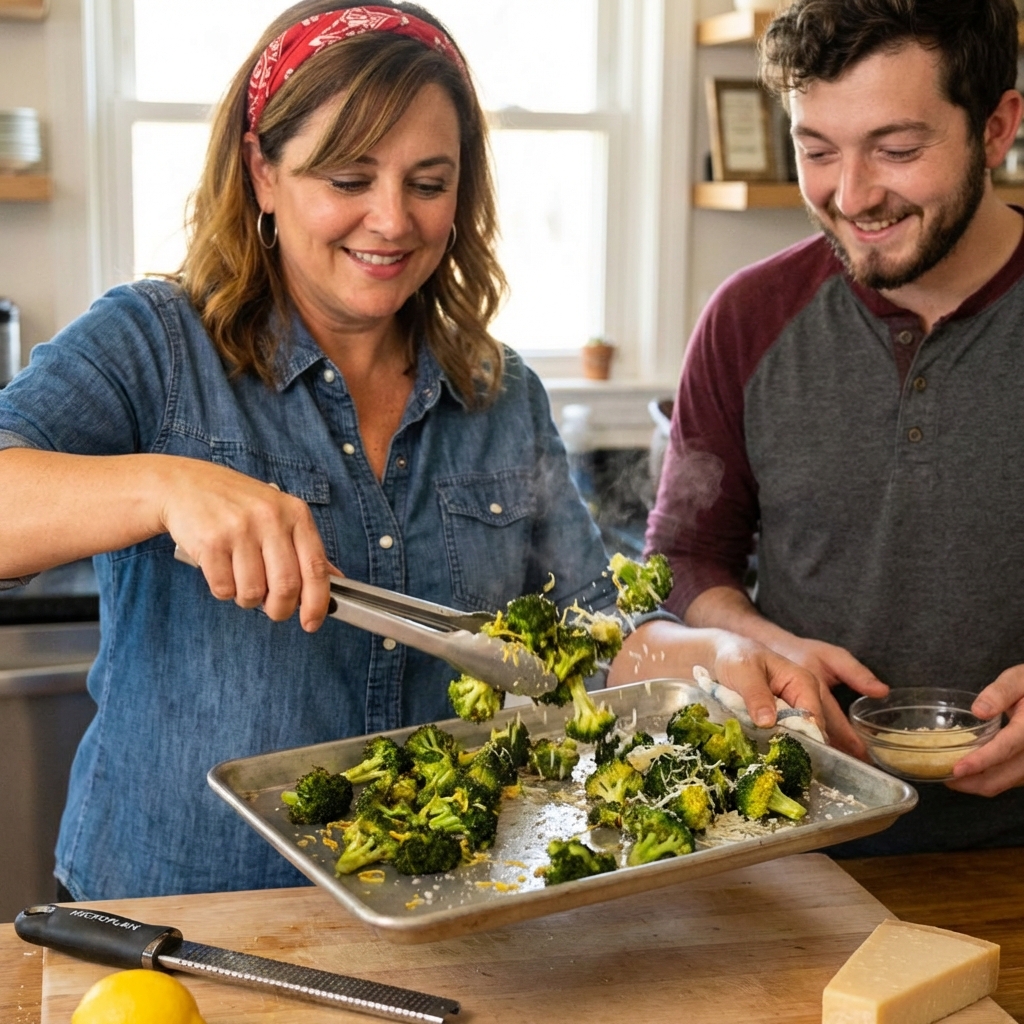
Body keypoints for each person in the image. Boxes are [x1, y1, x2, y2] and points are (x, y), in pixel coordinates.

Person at [0, 1, 820, 900]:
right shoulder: (153, 345)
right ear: (262, 173)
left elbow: (594, 638)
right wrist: (164, 488)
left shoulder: (497, 391)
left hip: (424, 910)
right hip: (177, 911)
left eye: (428, 183)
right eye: (348, 178)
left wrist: (709, 656)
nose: (391, 221)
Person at [648, 0, 1024, 854]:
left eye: (897, 150)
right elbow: (682, 562)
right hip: (798, 852)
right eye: (816, 149)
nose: (851, 196)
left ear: (997, 127)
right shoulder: (747, 319)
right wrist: (761, 642)